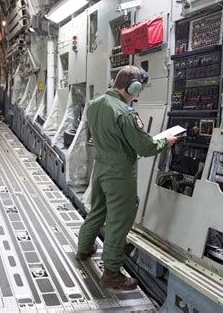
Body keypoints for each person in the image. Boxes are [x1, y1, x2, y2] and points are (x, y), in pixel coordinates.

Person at [75, 66, 177, 290]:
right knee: (118, 223)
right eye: (139, 89)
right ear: (133, 87)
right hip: (120, 174)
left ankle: (84, 248)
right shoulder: (126, 112)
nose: (139, 94)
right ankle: (111, 274)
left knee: (97, 210)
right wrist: (166, 140)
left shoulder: (94, 104)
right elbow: (146, 147)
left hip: (100, 168)